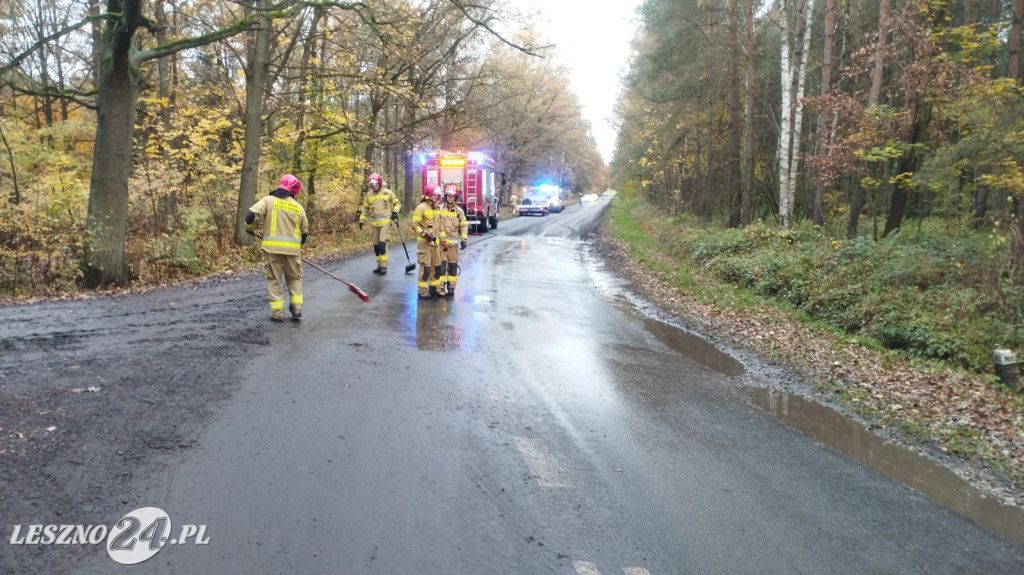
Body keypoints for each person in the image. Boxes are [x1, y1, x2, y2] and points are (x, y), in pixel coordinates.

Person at [246, 174, 309, 322]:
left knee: (274, 280)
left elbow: (250, 215)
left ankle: (277, 314)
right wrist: (298, 245)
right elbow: (305, 233)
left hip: (272, 251)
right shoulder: (298, 207)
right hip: (293, 252)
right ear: (293, 191)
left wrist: (250, 228)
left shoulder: (267, 201)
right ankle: (297, 309)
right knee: (294, 279)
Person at [359, 172, 401, 274]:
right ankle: (379, 265)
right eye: (372, 185)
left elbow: (397, 203)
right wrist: (361, 219)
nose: (374, 187)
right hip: (374, 225)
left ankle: (384, 266)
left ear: (380, 183)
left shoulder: (387, 192)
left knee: (382, 245)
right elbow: (365, 208)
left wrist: (395, 212)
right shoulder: (369, 195)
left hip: (385, 225)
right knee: (376, 247)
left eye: (376, 184)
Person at [412, 184, 446, 298]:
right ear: (429, 195)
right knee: (426, 268)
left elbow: (440, 227)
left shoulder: (437, 208)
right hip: (425, 244)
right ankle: (422, 292)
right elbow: (414, 224)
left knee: (436, 268)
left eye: (438, 195)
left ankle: (435, 290)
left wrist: (443, 241)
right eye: (436, 195)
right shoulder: (421, 207)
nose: (437, 197)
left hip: (435, 244)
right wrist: (424, 233)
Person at [437, 186, 469, 297]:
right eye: (448, 196)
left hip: (453, 246)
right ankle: (440, 287)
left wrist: (464, 239)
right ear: (446, 196)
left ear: (455, 197)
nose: (450, 198)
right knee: (441, 266)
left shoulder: (459, 212)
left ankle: (451, 287)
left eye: (452, 196)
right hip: (441, 244)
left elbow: (463, 226)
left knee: (452, 266)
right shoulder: (439, 208)